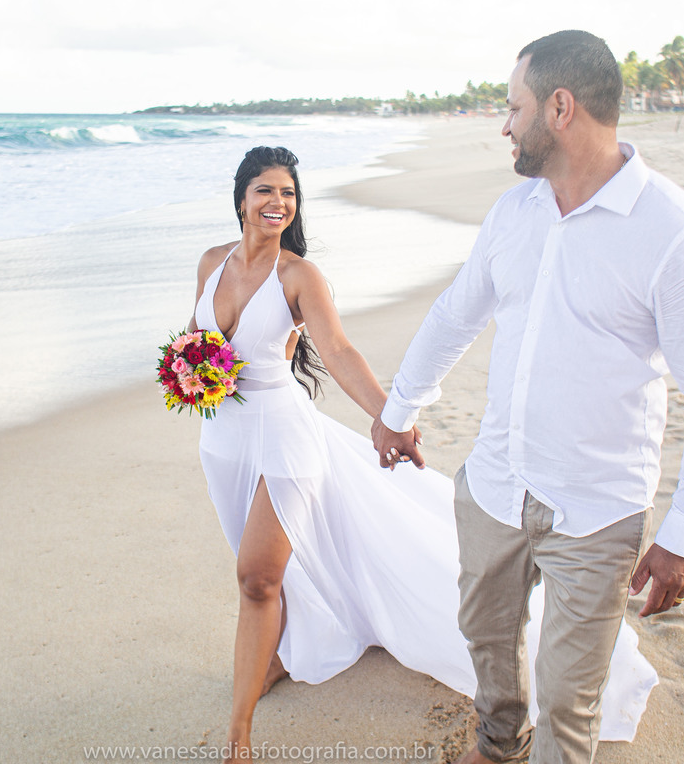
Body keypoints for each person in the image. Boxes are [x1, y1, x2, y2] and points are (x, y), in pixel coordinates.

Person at [192, 145, 657, 763]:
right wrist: (189, 372)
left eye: (289, 194)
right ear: (241, 197)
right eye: (266, 191)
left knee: (258, 576)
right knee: (267, 568)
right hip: (221, 437)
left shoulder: (298, 276)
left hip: (282, 435)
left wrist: (391, 417)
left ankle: (238, 736)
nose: (278, 203)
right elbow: (195, 345)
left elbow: (340, 352)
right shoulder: (209, 263)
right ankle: (278, 653)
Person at [372, 30, 684, 764]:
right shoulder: (514, 213)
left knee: (569, 698)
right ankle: (495, 739)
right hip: (494, 486)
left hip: (597, 508)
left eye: (514, 107)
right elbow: (456, 315)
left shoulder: (674, 233)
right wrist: (399, 411)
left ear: (561, 107)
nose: (504, 124)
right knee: (487, 638)